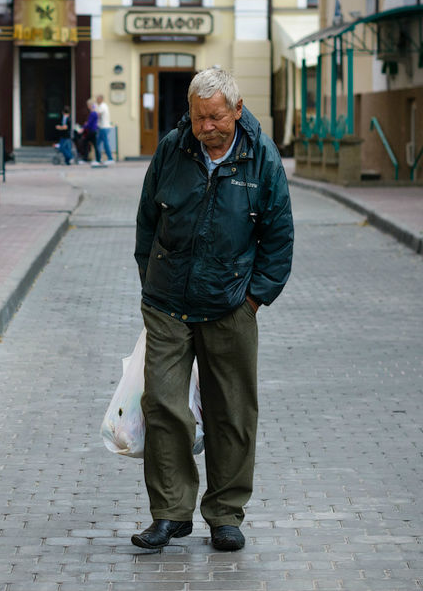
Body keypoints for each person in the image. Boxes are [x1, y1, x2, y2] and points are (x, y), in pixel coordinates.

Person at [132, 68, 294, 552]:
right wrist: (151, 282)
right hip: (167, 304)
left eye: (216, 116)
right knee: (162, 403)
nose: (207, 126)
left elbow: (279, 236)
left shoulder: (261, 158)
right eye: (199, 117)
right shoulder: (172, 149)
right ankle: (170, 512)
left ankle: (225, 514)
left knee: (232, 413)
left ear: (237, 111)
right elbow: (147, 221)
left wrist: (253, 298)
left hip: (230, 305)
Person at [81, 99, 101, 165]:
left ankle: (86, 159)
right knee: (94, 145)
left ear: (90, 105)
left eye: (88, 105)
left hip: (92, 131)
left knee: (85, 142)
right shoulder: (95, 112)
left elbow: (89, 124)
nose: (87, 107)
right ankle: (97, 159)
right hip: (94, 130)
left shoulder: (93, 113)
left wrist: (83, 127)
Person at [95, 94, 114, 163]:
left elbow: (97, 114)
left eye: (97, 99)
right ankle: (99, 158)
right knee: (98, 143)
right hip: (102, 127)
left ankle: (110, 158)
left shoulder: (103, 106)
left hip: (104, 127)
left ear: (101, 99)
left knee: (105, 143)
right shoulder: (100, 106)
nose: (96, 100)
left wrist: (93, 110)